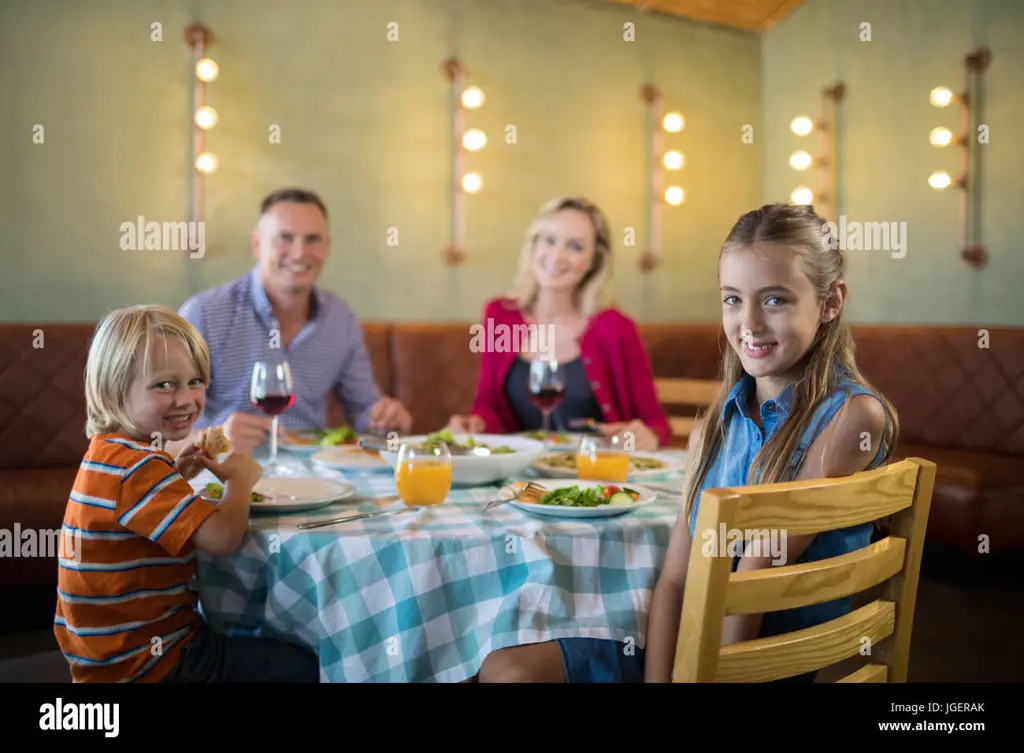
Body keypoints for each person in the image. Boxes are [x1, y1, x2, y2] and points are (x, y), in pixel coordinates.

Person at [477, 202, 899, 683]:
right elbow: (675, 581)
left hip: (754, 666)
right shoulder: (715, 426)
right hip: (690, 652)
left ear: (831, 301)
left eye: (776, 299)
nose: (751, 323)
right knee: (502, 667)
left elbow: (751, 583)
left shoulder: (850, 417)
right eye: (733, 299)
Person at [54, 304, 320, 682]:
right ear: (114, 390)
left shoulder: (108, 452)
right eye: (164, 385)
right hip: (152, 664)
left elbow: (132, 517)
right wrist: (240, 481)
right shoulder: (140, 468)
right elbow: (224, 538)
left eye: (196, 381)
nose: (187, 399)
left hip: (103, 655)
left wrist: (177, 473)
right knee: (302, 666)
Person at [168, 187, 412, 456]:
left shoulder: (341, 319)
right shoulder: (204, 314)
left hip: (313, 477)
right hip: (220, 471)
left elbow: (364, 410)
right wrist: (211, 438)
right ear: (257, 244)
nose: (299, 253)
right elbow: (159, 430)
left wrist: (385, 419)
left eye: (313, 239)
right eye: (285, 238)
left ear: (327, 247)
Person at [447, 196, 671, 451]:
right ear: (534, 246)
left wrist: (646, 436)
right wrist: (473, 424)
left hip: (592, 476)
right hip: (519, 475)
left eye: (575, 247)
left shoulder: (617, 328)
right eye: (549, 240)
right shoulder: (500, 316)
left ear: (593, 261)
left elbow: (657, 423)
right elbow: (487, 405)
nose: (557, 256)